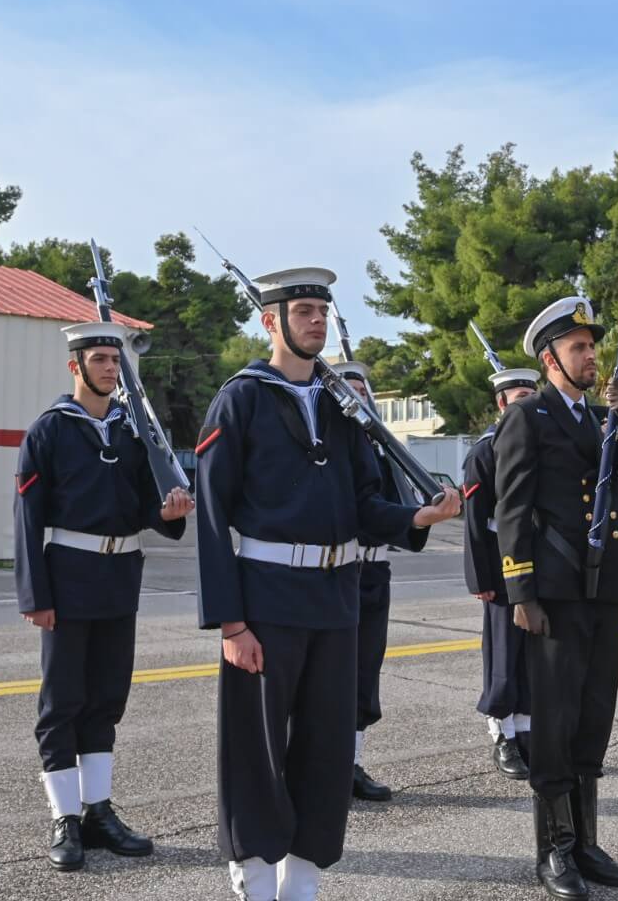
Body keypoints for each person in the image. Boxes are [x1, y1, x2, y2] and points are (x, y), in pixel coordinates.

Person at [194, 268, 460, 901]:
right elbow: (210, 516)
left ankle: (303, 880)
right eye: (304, 310)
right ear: (271, 322)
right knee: (257, 747)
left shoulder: (345, 407)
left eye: (321, 310)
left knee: (326, 746)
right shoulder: (241, 398)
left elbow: (367, 502)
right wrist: (231, 622)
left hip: (338, 597)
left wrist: (415, 517)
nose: (316, 320)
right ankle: (256, 875)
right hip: (265, 597)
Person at [495, 296, 618, 899]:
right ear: (550, 359)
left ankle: (587, 843)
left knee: (594, 717)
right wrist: (521, 590)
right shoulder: (529, 417)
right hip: (557, 591)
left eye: (592, 346)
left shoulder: (601, 418)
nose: (591, 356)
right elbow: (510, 508)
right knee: (558, 721)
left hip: (602, 587)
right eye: (578, 348)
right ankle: (555, 849)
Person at [15, 322, 193, 871]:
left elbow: (143, 505)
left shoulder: (129, 433)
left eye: (115, 361)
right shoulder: (49, 430)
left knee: (106, 699)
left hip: (120, 576)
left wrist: (166, 514)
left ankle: (99, 812)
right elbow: (27, 518)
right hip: (67, 575)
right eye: (99, 360)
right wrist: (35, 595)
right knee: (63, 701)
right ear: (76, 367)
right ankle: (64, 819)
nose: (110, 369)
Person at [327, 360, 430, 801]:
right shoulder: (331, 451)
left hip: (376, 569)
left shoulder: (383, 451)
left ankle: (351, 764)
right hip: (340, 569)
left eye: (362, 391)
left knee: (365, 672)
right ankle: (323, 765)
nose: (357, 398)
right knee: (330, 674)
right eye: (347, 391)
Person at [462, 367, 542, 779]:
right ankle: (501, 733)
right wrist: (480, 578)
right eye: (518, 396)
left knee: (532, 652)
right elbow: (475, 522)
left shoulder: (543, 443)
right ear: (501, 403)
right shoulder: (485, 452)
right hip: (498, 559)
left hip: (539, 559)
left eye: (531, 394)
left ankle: (526, 730)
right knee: (504, 653)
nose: (525, 401)